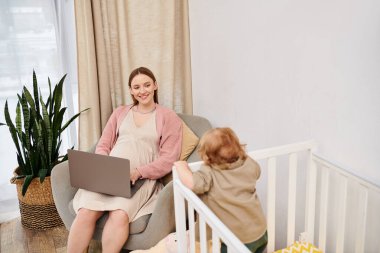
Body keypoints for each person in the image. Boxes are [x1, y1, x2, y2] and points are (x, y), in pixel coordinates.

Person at [67, 67, 183, 253]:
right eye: (136, 87)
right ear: (130, 90)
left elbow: (169, 158)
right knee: (85, 211)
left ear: (155, 86)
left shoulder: (168, 117)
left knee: (120, 214)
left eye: (146, 85)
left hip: (141, 179)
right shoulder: (120, 113)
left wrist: (138, 172)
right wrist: (105, 166)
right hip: (108, 175)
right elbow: (103, 145)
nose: (142, 91)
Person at [174, 127, 267, 253]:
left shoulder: (209, 172)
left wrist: (182, 166)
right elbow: (257, 172)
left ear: (207, 157)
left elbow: (192, 183)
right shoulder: (248, 163)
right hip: (260, 232)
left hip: (238, 240)